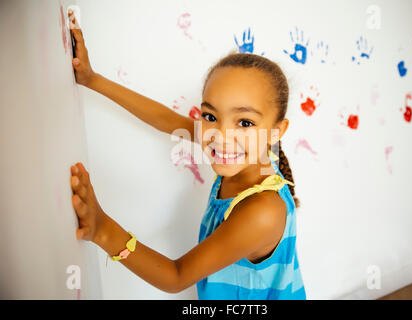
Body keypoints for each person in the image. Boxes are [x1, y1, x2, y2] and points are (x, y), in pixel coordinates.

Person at [68, 9, 306, 299]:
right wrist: (92, 79)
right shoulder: (249, 157)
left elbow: (176, 276)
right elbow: (166, 119)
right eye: (210, 116)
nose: (221, 136)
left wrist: (103, 230)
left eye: (244, 122)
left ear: (277, 131)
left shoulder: (262, 212)